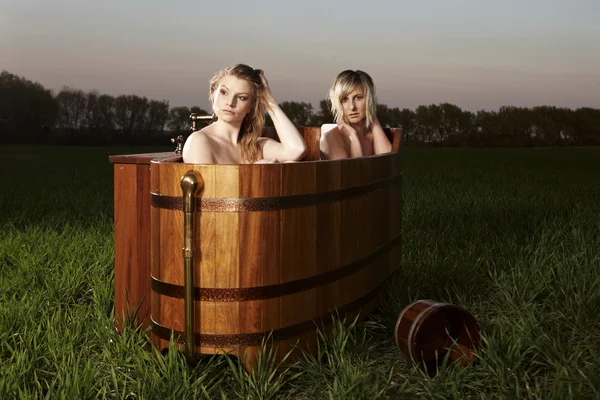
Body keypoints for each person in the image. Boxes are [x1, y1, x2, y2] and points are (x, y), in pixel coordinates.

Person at [182, 64, 307, 164]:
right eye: (224, 92)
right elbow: (209, 193)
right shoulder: (199, 141)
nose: (230, 103)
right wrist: (255, 172)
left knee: (290, 161)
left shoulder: (257, 146)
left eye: (242, 98)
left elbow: (297, 149)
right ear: (214, 92)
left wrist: (268, 100)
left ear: (251, 106)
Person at [320, 70, 392, 160]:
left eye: (358, 98)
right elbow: (355, 173)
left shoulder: (374, 135)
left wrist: (372, 115)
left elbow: (387, 164)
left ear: (369, 100)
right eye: (344, 99)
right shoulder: (329, 140)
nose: (352, 107)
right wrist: (353, 137)